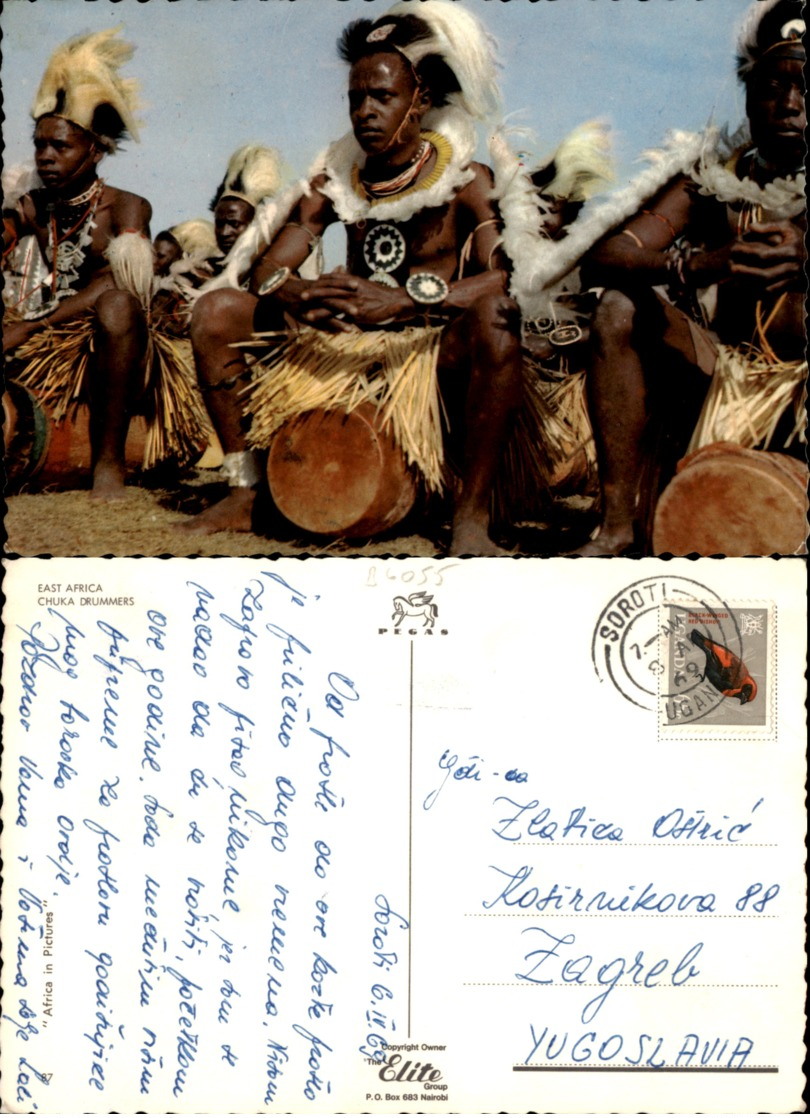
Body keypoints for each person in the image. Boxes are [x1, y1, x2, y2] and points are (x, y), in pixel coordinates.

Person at [183, 2, 522, 556]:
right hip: (346, 350)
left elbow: (503, 280)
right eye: (355, 98)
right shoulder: (334, 183)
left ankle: (471, 517)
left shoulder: (467, 180)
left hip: (430, 357)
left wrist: (405, 302)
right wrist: (299, 292)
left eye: (382, 97)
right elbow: (267, 268)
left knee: (497, 322)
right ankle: (245, 488)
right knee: (216, 311)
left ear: (421, 102)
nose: (364, 111)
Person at [573, 0, 806, 555]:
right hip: (723, 381)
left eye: (805, 87)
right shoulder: (715, 178)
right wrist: (699, 263)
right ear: (748, 95)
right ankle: (616, 527)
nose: (791, 103)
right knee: (617, 308)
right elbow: (604, 254)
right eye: (773, 85)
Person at [2, 29, 153, 500]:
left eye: (61, 146)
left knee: (116, 307)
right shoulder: (31, 205)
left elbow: (120, 286)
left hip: (110, 344)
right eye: (40, 144)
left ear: (95, 148)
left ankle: (108, 463)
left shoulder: (127, 207)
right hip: (43, 338)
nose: (45, 156)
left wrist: (31, 327)